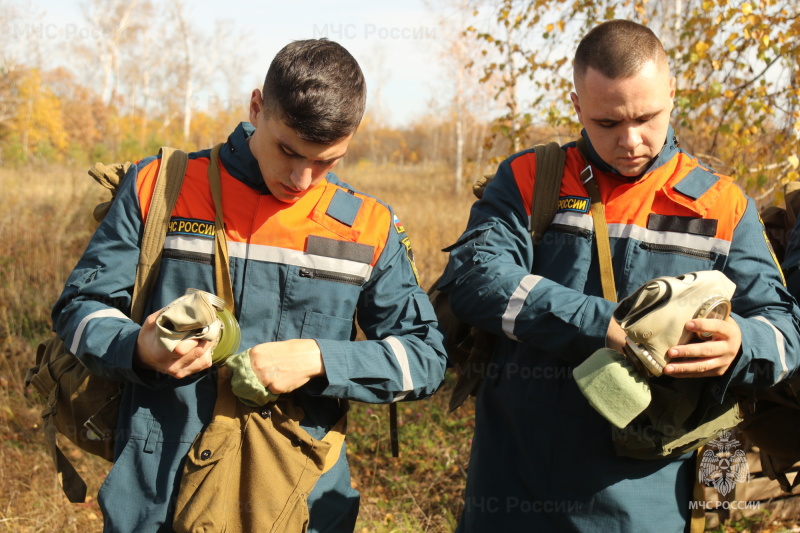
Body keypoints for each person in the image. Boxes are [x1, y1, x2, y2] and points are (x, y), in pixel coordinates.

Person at [51, 38, 447, 532]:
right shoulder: (159, 186)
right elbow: (78, 308)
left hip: (297, 501)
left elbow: (426, 358)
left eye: (327, 161)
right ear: (257, 107)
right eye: (288, 150)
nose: (302, 179)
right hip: (156, 496)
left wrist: (319, 359)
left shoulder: (369, 226)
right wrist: (138, 347)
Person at [437, 19, 800, 532]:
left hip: (644, 504)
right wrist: (603, 323)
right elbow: (475, 280)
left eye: (646, 117)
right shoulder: (529, 179)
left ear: (672, 94)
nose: (630, 141)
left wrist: (740, 344)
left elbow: (785, 328)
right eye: (607, 123)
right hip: (511, 491)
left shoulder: (723, 206)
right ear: (576, 104)